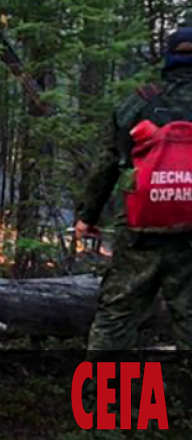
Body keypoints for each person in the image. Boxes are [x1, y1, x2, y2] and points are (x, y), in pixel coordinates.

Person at [76, 25, 192, 353]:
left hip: (140, 227)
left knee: (117, 313)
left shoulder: (138, 102)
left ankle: (105, 385)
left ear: (168, 58)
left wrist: (87, 216)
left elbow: (107, 165)